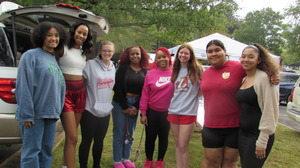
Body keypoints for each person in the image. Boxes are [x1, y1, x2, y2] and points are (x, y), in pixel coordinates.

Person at [200, 40, 279, 168]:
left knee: (230, 163)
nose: (213, 54)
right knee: (210, 162)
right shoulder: (206, 73)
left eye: (217, 50)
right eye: (210, 51)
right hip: (211, 126)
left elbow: (258, 71)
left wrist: (273, 75)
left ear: (225, 52)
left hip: (235, 127)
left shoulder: (238, 67)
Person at [15, 21, 67, 168]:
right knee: (32, 152)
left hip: (50, 114)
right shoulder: (31, 56)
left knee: (46, 152)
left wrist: (58, 109)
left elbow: (58, 87)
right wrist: (26, 113)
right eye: (49, 35)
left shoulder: (53, 58)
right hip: (34, 115)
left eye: (57, 36)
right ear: (41, 36)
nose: (54, 39)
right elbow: (23, 85)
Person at [236, 44, 279, 168]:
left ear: (259, 60)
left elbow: (270, 111)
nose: (246, 60)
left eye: (251, 57)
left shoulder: (264, 79)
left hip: (258, 135)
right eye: (243, 56)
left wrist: (262, 140)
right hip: (243, 133)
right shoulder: (244, 78)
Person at [58, 22, 93, 168]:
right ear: (73, 32)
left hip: (80, 93)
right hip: (65, 92)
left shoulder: (83, 53)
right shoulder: (62, 48)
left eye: (84, 34)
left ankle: (67, 165)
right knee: (72, 136)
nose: (81, 36)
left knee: (71, 138)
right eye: (79, 32)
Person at [78, 40, 116, 168]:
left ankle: (96, 165)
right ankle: (83, 165)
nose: (107, 53)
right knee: (86, 141)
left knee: (99, 141)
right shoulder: (90, 64)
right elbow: (80, 85)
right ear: (100, 51)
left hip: (105, 111)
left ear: (113, 52)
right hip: (90, 109)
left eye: (110, 51)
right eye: (104, 50)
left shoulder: (113, 66)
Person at [112, 46, 149, 168]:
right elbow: (116, 88)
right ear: (128, 56)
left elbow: (145, 92)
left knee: (130, 133)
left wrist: (136, 107)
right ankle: (117, 161)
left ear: (141, 55)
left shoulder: (145, 71)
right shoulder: (123, 69)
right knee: (120, 132)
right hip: (120, 103)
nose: (135, 56)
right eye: (132, 54)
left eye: (137, 54)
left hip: (135, 104)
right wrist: (124, 107)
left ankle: (126, 158)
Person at [167, 44, 203, 168]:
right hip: (173, 111)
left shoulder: (198, 70)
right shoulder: (175, 69)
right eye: (181, 53)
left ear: (191, 55)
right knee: (177, 145)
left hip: (189, 112)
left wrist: (195, 97)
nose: (183, 55)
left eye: (186, 53)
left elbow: (203, 88)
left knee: (183, 145)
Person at [139, 47, 174, 168]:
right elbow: (145, 94)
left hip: (167, 113)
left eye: (164, 56)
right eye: (158, 57)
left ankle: (160, 161)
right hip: (152, 112)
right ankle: (149, 160)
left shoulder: (175, 73)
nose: (162, 59)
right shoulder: (150, 74)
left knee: (163, 137)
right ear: (156, 60)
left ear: (169, 57)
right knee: (150, 137)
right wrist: (143, 113)